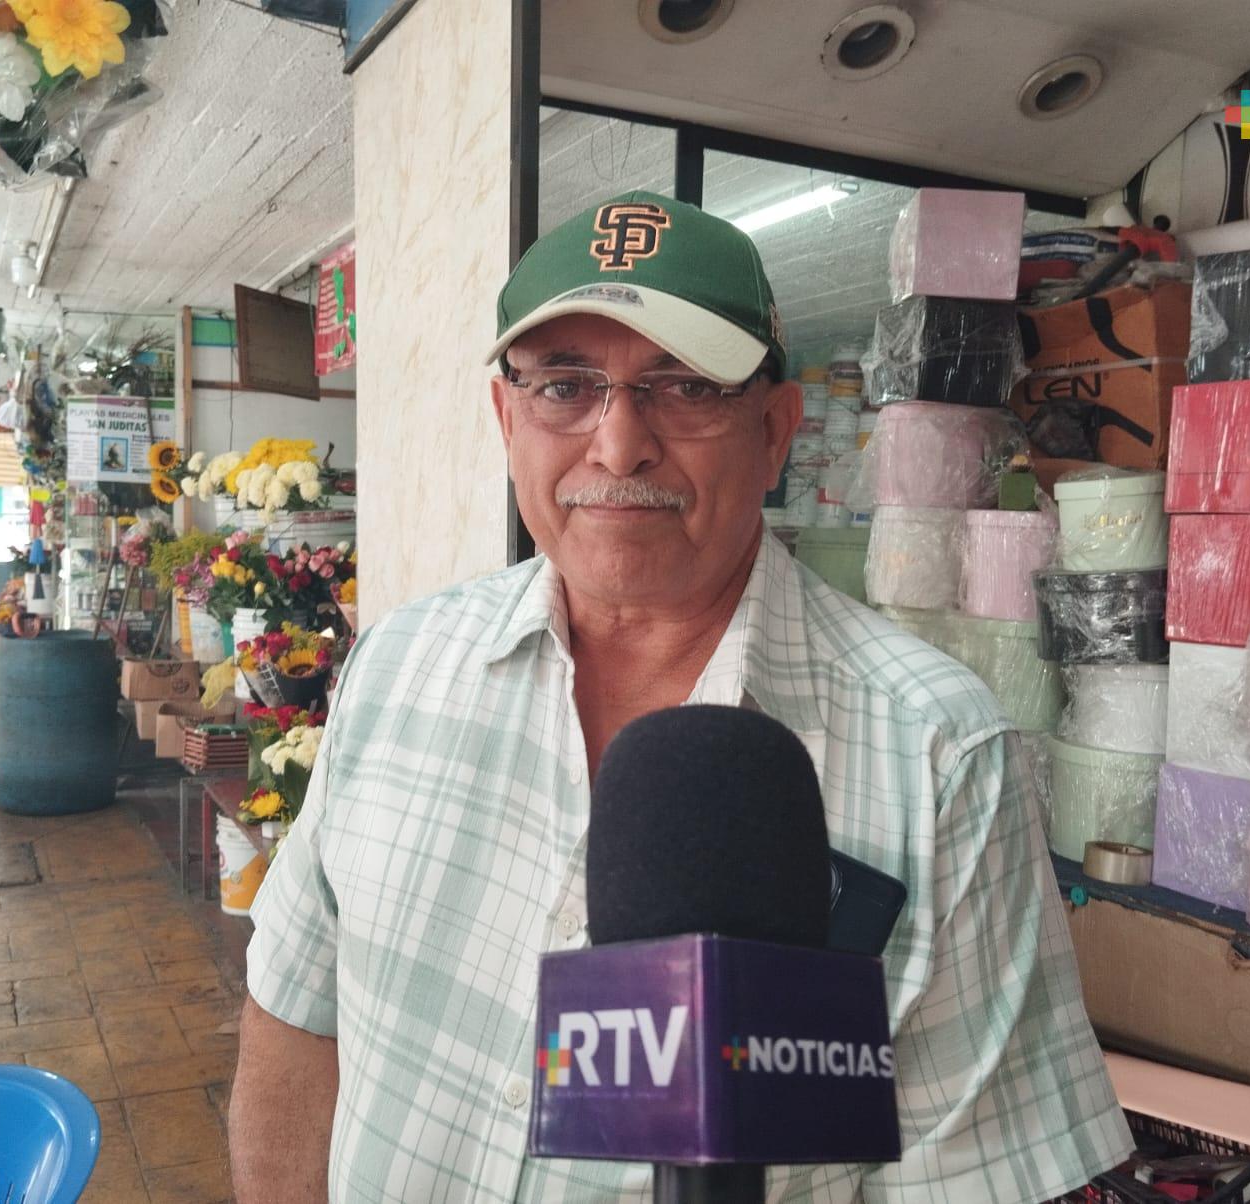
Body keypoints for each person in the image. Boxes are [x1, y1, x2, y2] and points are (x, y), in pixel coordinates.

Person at [230, 190, 1133, 1203]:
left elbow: (974, 1181)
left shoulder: (940, 754)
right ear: (505, 418)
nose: (617, 448)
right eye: (564, 387)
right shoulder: (398, 665)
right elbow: (294, 1017)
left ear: (776, 430)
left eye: (685, 386)